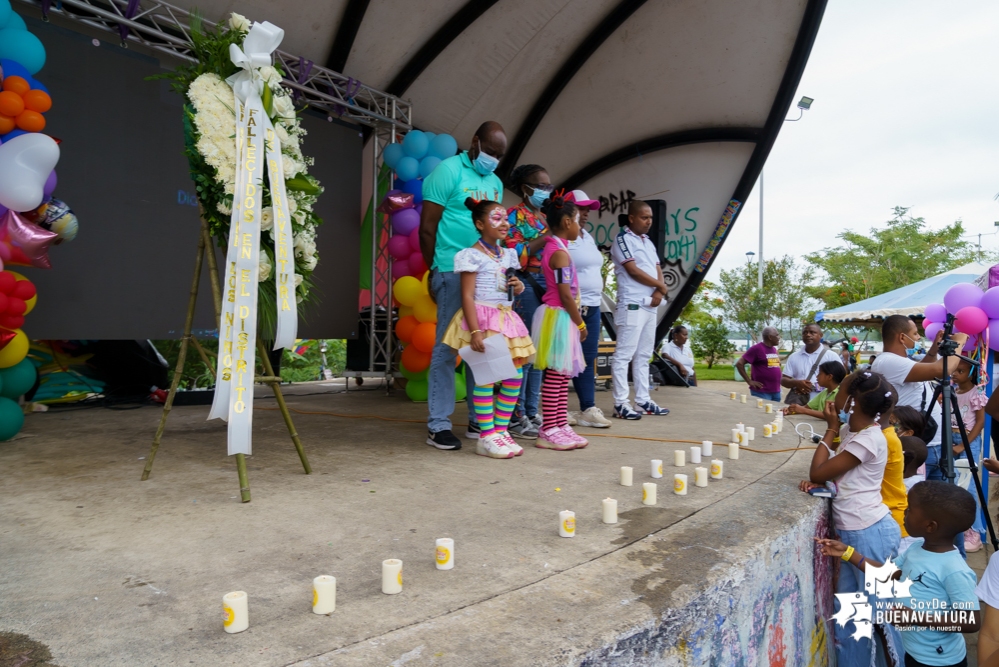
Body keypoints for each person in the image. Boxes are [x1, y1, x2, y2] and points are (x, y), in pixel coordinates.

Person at [816, 481, 980, 667]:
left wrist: (915, 618)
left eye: (910, 509)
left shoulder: (954, 570)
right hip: (913, 651)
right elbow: (887, 573)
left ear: (930, 526)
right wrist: (848, 553)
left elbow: (971, 621)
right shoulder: (917, 549)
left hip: (940, 661)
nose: (904, 512)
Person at [799, 370, 903, 665]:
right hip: (858, 531)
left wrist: (830, 428)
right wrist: (823, 483)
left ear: (853, 401)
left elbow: (817, 470)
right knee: (850, 617)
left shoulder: (868, 439)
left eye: (841, 390)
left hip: (868, 533)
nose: (835, 397)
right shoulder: (854, 433)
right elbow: (833, 474)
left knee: (878, 618)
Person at [419, 121, 506, 451]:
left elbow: (493, 231)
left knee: (478, 345)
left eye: (500, 155)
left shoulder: (495, 182)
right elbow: (427, 227)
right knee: (447, 347)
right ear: (475, 143)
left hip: (486, 274)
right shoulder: (448, 170)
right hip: (451, 270)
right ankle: (438, 424)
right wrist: (434, 269)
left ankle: (477, 417)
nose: (494, 159)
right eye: (490, 151)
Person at [440, 199, 534, 459]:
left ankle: (501, 431)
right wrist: (475, 331)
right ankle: (486, 436)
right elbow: (468, 296)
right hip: (483, 320)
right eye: (496, 219)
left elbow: (505, 288)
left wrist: (519, 286)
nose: (504, 223)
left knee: (514, 376)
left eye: (505, 218)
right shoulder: (471, 255)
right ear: (480, 224)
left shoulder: (508, 254)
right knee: (488, 377)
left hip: (506, 319)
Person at [871, 315, 967, 483]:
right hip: (917, 448)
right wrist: (958, 344)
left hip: (933, 445)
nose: (918, 338)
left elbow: (922, 370)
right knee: (917, 501)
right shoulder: (888, 361)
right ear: (902, 337)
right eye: (915, 334)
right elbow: (942, 370)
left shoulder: (897, 361)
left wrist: (933, 351)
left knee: (941, 503)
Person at [530, 193, 588, 450]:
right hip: (559, 316)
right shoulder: (560, 253)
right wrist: (580, 323)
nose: (580, 225)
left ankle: (560, 423)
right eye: (577, 220)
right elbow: (565, 293)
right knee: (556, 375)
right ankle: (548, 428)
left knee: (563, 374)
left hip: (560, 315)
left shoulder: (556, 248)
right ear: (566, 222)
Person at [609, 200, 671, 420]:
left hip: (650, 303)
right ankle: (621, 403)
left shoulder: (648, 241)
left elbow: (657, 268)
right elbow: (632, 270)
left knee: (644, 355)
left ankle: (643, 399)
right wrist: (661, 287)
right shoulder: (622, 239)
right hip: (632, 303)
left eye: (651, 218)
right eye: (644, 217)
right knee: (624, 354)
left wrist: (659, 290)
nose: (649, 222)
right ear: (631, 218)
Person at [503, 164, 552, 439]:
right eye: (540, 186)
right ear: (525, 189)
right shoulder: (512, 217)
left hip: (548, 286)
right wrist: (547, 236)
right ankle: (515, 414)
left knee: (539, 354)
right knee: (524, 353)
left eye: (548, 186)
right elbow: (515, 254)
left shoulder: (545, 217)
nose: (546, 191)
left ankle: (532, 411)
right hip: (526, 284)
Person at [566, 189, 612, 428]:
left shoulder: (587, 236)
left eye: (587, 210)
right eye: (580, 209)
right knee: (563, 356)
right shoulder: (562, 237)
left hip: (593, 304)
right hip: (573, 305)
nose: (585, 214)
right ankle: (557, 410)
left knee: (587, 357)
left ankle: (587, 408)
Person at [948, 358, 987, 552]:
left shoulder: (976, 393)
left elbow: (980, 423)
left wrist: (963, 445)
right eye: (954, 370)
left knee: (969, 486)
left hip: (968, 443)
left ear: (970, 373)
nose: (955, 374)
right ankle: (960, 527)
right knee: (955, 484)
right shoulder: (953, 391)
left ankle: (975, 532)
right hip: (952, 440)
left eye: (960, 371)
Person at [782, 323, 841, 403]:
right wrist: (796, 383)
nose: (808, 335)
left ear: (821, 335)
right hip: (799, 401)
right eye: (805, 333)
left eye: (812, 332)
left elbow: (840, 380)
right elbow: (783, 380)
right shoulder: (794, 356)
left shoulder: (831, 356)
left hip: (822, 403)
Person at [736, 327, 783, 402]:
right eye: (777, 335)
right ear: (770, 337)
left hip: (776, 391)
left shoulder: (774, 349)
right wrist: (749, 381)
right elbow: (739, 364)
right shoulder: (756, 349)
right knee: (763, 412)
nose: (779, 338)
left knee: (774, 412)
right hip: (762, 391)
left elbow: (774, 366)